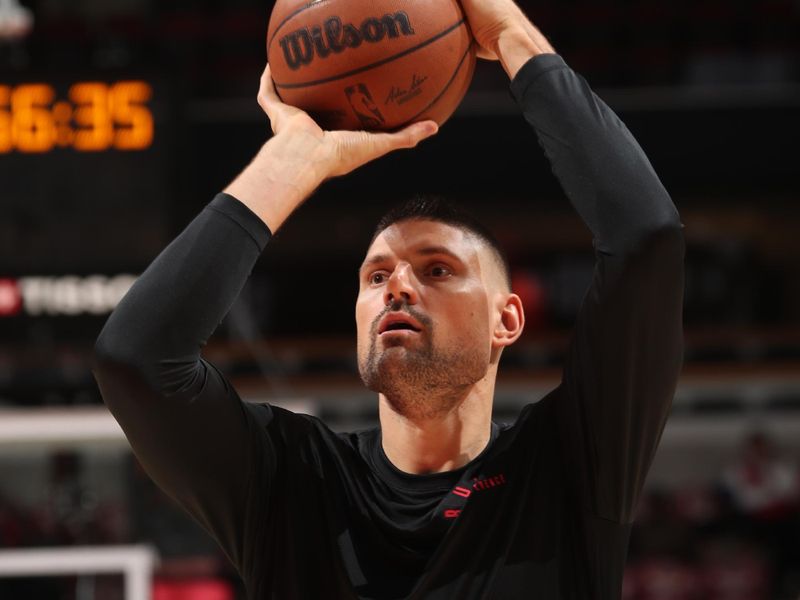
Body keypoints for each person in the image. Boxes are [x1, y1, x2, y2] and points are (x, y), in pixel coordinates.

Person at [93, 0, 685, 598]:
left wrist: (510, 34)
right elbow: (135, 359)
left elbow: (646, 238)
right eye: (375, 277)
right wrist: (292, 159)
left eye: (437, 269)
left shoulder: (570, 463)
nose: (398, 285)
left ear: (506, 319)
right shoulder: (292, 481)